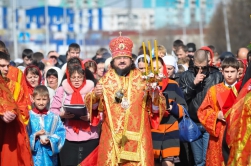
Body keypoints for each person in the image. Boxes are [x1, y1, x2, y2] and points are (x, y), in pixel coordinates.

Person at [82, 34, 166, 165]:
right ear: (113, 61)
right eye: (118, 58)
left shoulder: (144, 79)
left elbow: (156, 108)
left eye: (125, 58)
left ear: (131, 60)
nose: (122, 61)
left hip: (140, 137)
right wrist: (95, 96)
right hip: (112, 138)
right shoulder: (106, 80)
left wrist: (154, 95)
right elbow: (92, 105)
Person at [179, 50, 223, 166]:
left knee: (207, 159)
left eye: (203, 67)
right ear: (193, 62)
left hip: (210, 123)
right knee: (198, 161)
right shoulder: (186, 76)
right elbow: (181, 97)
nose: (200, 70)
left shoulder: (217, 76)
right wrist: (194, 84)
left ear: (208, 62)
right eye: (197, 67)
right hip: (194, 123)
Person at [50, 64, 99, 166]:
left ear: (84, 78)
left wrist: (91, 116)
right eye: (73, 77)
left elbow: (101, 111)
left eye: (79, 77)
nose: (76, 80)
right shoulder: (62, 90)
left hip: (90, 137)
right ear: (69, 78)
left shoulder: (92, 91)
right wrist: (62, 114)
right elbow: (53, 110)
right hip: (68, 136)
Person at [197, 57, 240, 166]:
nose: (229, 75)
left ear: (238, 72)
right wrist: (217, 115)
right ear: (222, 72)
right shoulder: (214, 90)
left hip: (238, 133)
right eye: (227, 72)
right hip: (219, 135)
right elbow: (202, 112)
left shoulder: (243, 90)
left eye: (232, 72)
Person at [152, 57, 188, 166]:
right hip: (153, 129)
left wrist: (172, 107)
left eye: (159, 67)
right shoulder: (145, 86)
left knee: (168, 162)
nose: (156, 70)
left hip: (170, 128)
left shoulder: (173, 85)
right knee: (154, 162)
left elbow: (184, 107)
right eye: (153, 68)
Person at [0, 72, 33, 166]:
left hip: (7, 134)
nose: (6, 69)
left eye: (7, 66)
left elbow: (22, 108)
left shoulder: (14, 87)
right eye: (2, 66)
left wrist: (13, 113)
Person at [28, 85, 65, 166]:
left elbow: (61, 134)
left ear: (48, 99)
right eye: (38, 99)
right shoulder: (28, 117)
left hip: (49, 158)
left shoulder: (54, 117)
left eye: (44, 99)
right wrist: (35, 136)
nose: (41, 102)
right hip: (33, 157)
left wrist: (50, 141)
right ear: (33, 99)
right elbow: (24, 135)